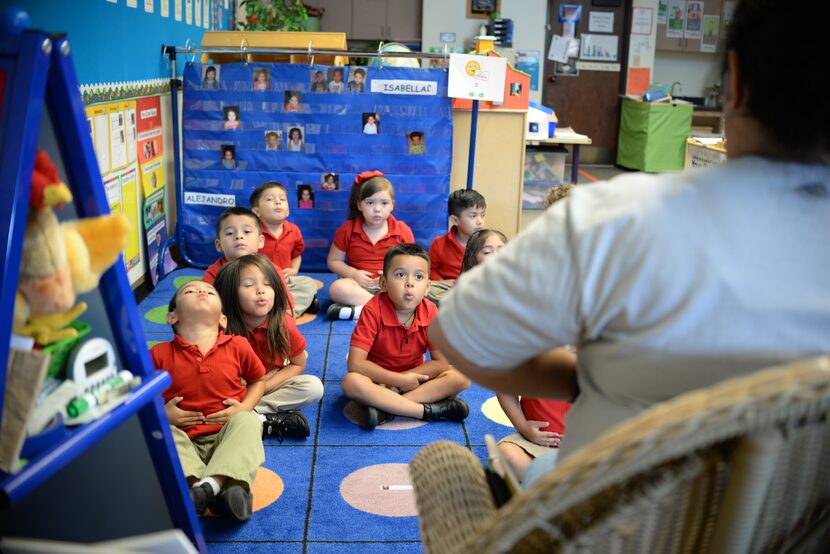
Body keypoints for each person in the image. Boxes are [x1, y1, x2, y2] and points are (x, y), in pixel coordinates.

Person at [430, 0, 830, 487]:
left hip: (608, 517)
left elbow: (459, 332)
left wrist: (587, 377)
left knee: (453, 472)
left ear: (736, 80)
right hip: (787, 526)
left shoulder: (613, 217)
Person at [150, 280, 265, 521]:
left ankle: (207, 488)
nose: (201, 291)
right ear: (172, 317)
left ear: (222, 319)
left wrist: (244, 407)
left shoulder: (238, 345)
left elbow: (258, 381)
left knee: (249, 421)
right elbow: (142, 401)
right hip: (185, 437)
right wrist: (163, 415)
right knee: (162, 431)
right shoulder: (158, 354)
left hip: (225, 437)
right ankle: (216, 489)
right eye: (189, 291)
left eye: (209, 291)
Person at [342, 243, 471, 430]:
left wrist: (406, 379)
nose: (410, 282)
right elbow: (355, 364)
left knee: (461, 376)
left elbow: (441, 362)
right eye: (400, 275)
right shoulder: (372, 310)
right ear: (383, 283)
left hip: (414, 379)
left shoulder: (431, 310)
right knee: (351, 382)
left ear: (427, 287)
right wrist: (398, 380)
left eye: (418, 277)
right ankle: (425, 411)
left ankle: (384, 409)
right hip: (376, 379)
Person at [214, 255, 323, 440]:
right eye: (248, 285)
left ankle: (246, 415)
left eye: (268, 284)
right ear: (230, 294)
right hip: (236, 386)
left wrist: (259, 388)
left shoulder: (283, 324)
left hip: (269, 379)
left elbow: (298, 365)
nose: (260, 291)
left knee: (313, 387)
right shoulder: (221, 328)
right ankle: (260, 420)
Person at [326, 170, 415, 320]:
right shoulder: (347, 230)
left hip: (390, 286)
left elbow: (412, 262)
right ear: (359, 205)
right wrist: (353, 274)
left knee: (415, 290)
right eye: (370, 203)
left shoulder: (402, 230)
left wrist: (393, 275)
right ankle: (382, 310)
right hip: (359, 287)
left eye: (384, 203)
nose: (377, 209)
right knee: (337, 288)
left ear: (392, 205)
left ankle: (362, 311)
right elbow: (333, 261)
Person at [201, 207, 293, 315]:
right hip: (232, 318)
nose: (239, 236)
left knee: (305, 285)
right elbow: (203, 304)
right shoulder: (214, 272)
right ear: (219, 245)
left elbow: (287, 308)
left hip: (265, 316)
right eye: (230, 233)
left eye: (247, 231)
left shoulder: (271, 269)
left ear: (261, 241)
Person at [249, 182, 319, 317]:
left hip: (285, 281)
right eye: (269, 199)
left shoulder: (293, 230)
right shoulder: (251, 232)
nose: (277, 202)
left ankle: (287, 312)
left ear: (287, 210)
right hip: (259, 282)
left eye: (282, 199)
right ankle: (270, 308)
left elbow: (296, 254)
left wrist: (293, 270)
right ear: (257, 211)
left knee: (309, 284)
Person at [427, 189, 487, 303]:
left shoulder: (487, 243)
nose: (480, 221)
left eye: (483, 215)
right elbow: (430, 270)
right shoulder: (439, 243)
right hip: (447, 292)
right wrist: (442, 282)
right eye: (473, 216)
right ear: (455, 220)